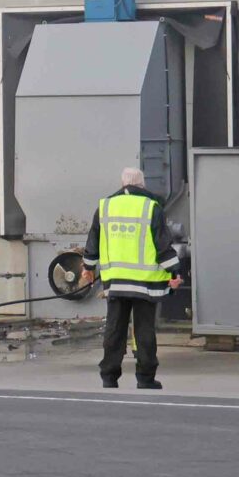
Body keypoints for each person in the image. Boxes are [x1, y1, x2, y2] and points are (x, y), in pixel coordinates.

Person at [84, 167, 181, 390]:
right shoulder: (151, 207)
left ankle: (109, 376)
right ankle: (145, 378)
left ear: (122, 184)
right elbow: (162, 245)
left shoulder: (105, 206)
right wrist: (174, 273)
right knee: (144, 330)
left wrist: (88, 268)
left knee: (114, 328)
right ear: (142, 184)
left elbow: (93, 241)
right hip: (145, 283)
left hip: (116, 281)